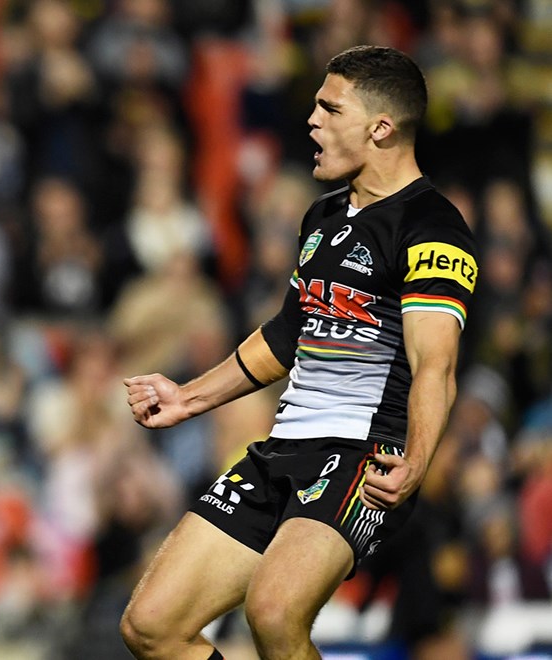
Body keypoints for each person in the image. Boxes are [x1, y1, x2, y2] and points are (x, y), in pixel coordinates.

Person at [119, 45, 478, 659]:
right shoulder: (324, 216)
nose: (311, 121)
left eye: (330, 109)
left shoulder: (432, 227)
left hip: (361, 455)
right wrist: (188, 398)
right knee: (151, 625)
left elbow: (435, 366)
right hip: (284, 448)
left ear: (380, 128)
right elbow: (289, 335)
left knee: (274, 611)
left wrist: (416, 462)